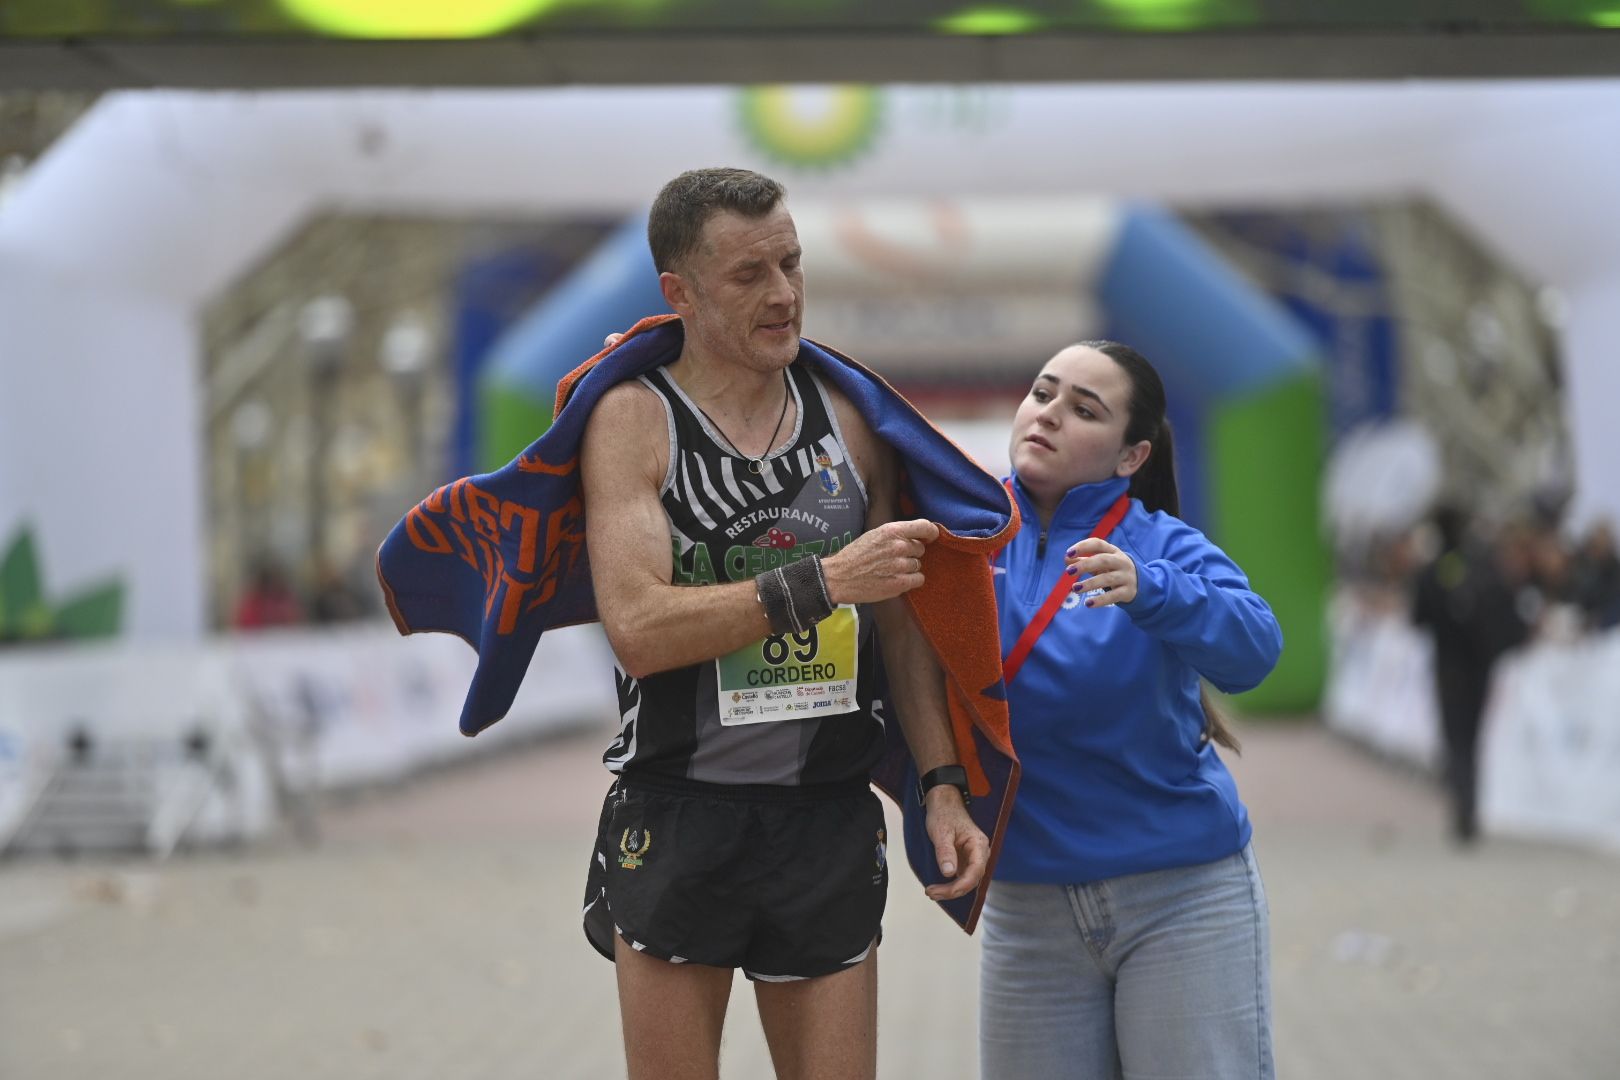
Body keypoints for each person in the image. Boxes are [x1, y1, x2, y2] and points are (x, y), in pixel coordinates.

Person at [577, 168, 989, 1080]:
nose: (784, 295)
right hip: (678, 809)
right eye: (749, 275)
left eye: (793, 264)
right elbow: (639, 628)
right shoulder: (634, 423)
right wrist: (821, 580)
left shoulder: (851, 419)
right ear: (677, 293)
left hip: (823, 818)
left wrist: (942, 783)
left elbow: (898, 621)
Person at [979, 341, 1284, 1079]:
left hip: (1183, 897)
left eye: (1084, 409)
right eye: (1043, 393)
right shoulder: (965, 531)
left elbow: (1255, 651)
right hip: (1026, 909)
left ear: (1130, 455)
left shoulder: (1162, 547)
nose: (1049, 415)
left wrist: (1154, 590)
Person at [1411, 505, 1532, 844]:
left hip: (1448, 665)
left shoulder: (1433, 570)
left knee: (1455, 738)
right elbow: (1508, 612)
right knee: (1473, 737)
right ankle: (1470, 808)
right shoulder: (1484, 565)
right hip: (1479, 665)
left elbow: (1417, 616)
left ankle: (1462, 807)